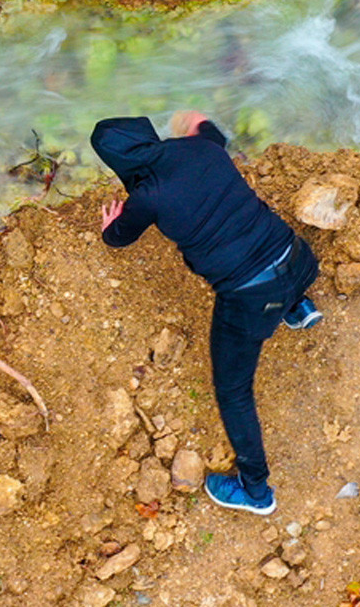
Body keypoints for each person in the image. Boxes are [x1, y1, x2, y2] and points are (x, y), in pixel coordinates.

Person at [90, 111, 322, 515]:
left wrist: (111, 225)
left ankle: (256, 492)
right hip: (299, 259)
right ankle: (298, 308)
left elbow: (118, 237)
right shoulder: (200, 148)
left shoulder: (148, 194)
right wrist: (198, 125)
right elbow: (214, 135)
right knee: (263, 246)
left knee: (233, 392)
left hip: (251, 298)